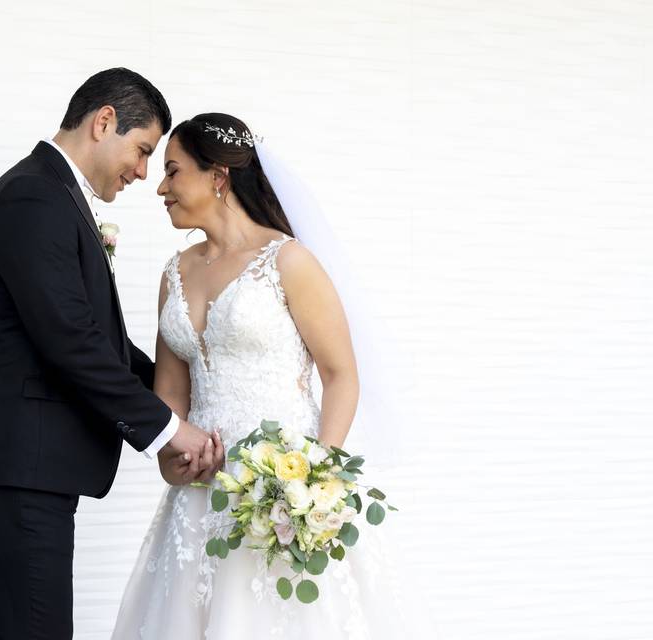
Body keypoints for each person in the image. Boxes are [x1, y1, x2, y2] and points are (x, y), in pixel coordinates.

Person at [0, 70, 223, 640]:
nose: (142, 172)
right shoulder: (35, 195)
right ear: (103, 121)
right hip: (15, 465)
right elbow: (70, 342)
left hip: (10, 463)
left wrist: (186, 382)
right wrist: (165, 427)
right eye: (141, 151)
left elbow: (91, 338)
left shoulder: (51, 194)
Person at [112, 113, 423, 638]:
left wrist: (316, 481)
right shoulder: (173, 274)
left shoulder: (289, 262)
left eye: (172, 171)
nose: (160, 187)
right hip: (200, 502)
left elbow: (342, 374)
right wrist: (173, 462)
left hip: (282, 495)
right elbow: (170, 396)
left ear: (218, 177)